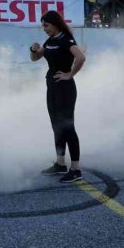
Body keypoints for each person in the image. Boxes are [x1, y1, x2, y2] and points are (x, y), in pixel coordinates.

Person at [29, 10, 86, 183]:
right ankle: (60, 163)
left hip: (65, 89)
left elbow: (81, 57)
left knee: (68, 127)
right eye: (43, 26)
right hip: (52, 87)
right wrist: (33, 49)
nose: (44, 29)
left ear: (55, 24)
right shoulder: (51, 40)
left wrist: (70, 75)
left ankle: (75, 169)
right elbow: (35, 58)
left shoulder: (65, 38)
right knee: (56, 126)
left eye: (46, 25)